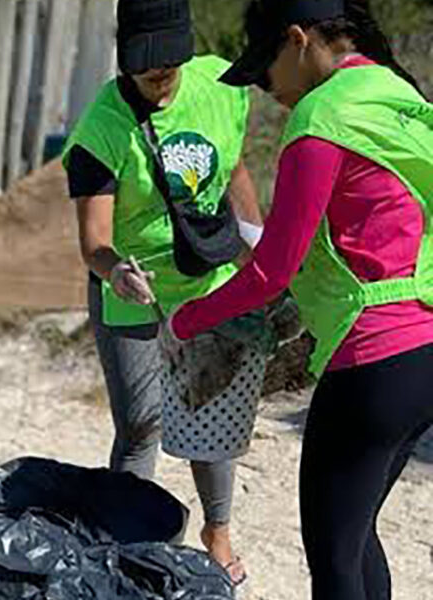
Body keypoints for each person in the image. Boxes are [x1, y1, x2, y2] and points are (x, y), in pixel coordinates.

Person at [167, 0, 433, 598]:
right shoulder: (395, 95)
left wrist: (188, 319)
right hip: (425, 349)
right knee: (358, 538)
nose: (265, 89)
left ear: (298, 39)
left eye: (265, 70)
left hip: (372, 361)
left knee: (335, 558)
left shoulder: (321, 118)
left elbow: (272, 269)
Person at [62, 0, 263, 584]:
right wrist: (114, 271)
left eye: (169, 63)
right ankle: (127, 545)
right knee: (142, 422)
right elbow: (93, 242)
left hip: (207, 283)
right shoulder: (102, 129)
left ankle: (217, 532)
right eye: (146, 65)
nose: (159, 75)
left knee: (212, 414)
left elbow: (234, 167)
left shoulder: (221, 84)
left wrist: (259, 243)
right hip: (131, 287)